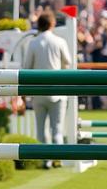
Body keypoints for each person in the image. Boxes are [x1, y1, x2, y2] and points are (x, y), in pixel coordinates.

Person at [22, 10, 72, 165]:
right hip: (57, 90)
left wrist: (24, 93)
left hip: (39, 92)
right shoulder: (60, 41)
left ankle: (46, 161)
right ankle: (59, 159)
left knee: (41, 130)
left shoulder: (33, 42)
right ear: (52, 24)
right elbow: (68, 62)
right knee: (57, 128)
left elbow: (26, 67)